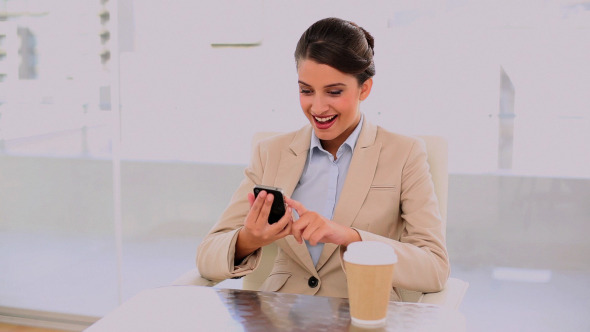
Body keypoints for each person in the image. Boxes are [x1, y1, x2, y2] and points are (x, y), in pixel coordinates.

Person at [197, 17, 449, 300]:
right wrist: (249, 239)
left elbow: (434, 268)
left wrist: (349, 237)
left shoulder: (405, 153)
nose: (317, 107)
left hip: (363, 313)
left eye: (334, 92)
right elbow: (207, 256)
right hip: (280, 317)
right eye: (306, 91)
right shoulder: (272, 153)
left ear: (364, 89)